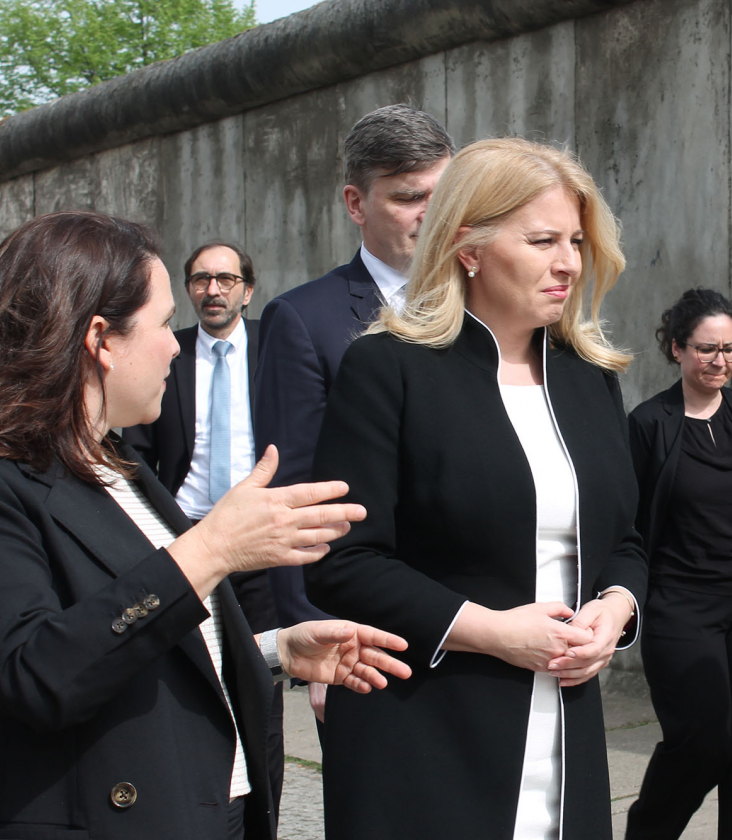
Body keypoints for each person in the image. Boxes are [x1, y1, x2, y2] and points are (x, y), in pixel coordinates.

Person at [0, 211, 410, 840]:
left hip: (205, 803)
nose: (177, 343)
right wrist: (213, 549)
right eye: (165, 323)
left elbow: (133, 635)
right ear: (100, 340)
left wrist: (272, 651)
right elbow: (38, 670)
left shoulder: (118, 463)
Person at [305, 137, 649, 839]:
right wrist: (492, 632)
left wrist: (616, 611)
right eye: (543, 239)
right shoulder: (386, 369)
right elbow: (342, 564)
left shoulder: (590, 377)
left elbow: (627, 539)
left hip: (567, 727)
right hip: (426, 733)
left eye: (577, 241)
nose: (567, 263)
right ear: (468, 247)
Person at [253, 103, 454, 729]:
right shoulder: (305, 319)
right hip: (369, 629)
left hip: (481, 614)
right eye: (408, 196)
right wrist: (311, 624)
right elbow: (295, 490)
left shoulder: (492, 302)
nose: (431, 213)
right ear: (355, 202)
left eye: (442, 195)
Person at [624, 288, 732, 839]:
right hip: (681, 604)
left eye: (730, 348)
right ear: (676, 349)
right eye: (706, 349)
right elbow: (629, 518)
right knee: (701, 743)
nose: (719, 361)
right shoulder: (650, 423)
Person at [121, 240, 286, 814]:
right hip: (185, 537)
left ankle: (260, 809)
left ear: (247, 288)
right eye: (199, 280)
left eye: (224, 279)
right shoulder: (168, 351)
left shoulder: (277, 347)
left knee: (262, 687)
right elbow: (135, 447)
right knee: (189, 680)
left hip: (262, 541)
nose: (211, 290)